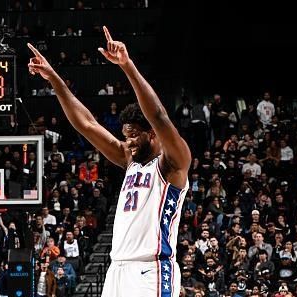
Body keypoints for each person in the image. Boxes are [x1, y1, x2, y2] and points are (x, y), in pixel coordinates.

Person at [28, 25, 191, 297]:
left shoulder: (173, 163)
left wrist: (127, 66)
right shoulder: (130, 159)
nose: (128, 142)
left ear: (152, 134)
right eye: (125, 136)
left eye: (135, 136)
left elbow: (159, 115)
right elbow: (87, 124)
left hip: (151, 269)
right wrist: (54, 78)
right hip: (117, 268)